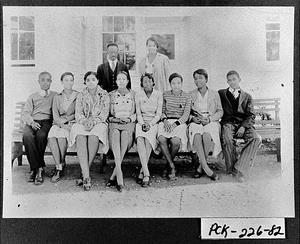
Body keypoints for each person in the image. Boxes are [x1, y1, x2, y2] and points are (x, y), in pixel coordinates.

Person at [69, 71, 110, 191]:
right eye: (88, 80)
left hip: (98, 122)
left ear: (97, 81)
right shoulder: (81, 94)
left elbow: (104, 113)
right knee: (80, 135)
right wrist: (84, 121)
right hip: (83, 122)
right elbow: (78, 112)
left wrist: (94, 121)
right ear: (85, 82)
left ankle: (84, 173)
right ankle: (86, 175)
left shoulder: (104, 94)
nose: (91, 82)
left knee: (94, 135)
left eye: (93, 79)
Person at [218, 70, 261, 182]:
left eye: (234, 79)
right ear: (227, 81)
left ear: (239, 80)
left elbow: (251, 115)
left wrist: (243, 126)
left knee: (255, 138)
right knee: (227, 139)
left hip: (244, 124)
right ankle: (232, 169)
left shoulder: (247, 96)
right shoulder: (221, 93)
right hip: (228, 123)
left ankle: (239, 168)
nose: (232, 82)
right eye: (229, 80)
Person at [22, 71, 57, 185]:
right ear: (39, 82)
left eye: (48, 80)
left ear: (51, 82)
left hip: (46, 122)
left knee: (41, 135)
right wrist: (31, 122)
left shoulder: (55, 96)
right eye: (43, 80)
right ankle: (38, 168)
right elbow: (26, 113)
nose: (45, 82)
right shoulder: (32, 97)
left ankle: (36, 169)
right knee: (27, 136)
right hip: (32, 121)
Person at [188, 69, 223, 181]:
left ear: (206, 79)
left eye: (200, 78)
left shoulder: (214, 93)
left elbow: (220, 111)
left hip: (210, 120)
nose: (198, 80)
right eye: (195, 78)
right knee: (197, 134)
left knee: (207, 135)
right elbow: (187, 113)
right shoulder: (191, 94)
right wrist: (193, 118)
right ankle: (207, 169)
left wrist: (210, 119)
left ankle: (200, 167)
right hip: (197, 121)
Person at [157, 73, 192, 180]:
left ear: (181, 84)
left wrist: (175, 124)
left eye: (178, 83)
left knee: (175, 141)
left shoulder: (187, 96)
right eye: (173, 83)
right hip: (166, 121)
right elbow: (162, 111)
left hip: (179, 123)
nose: (176, 85)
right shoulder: (165, 94)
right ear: (170, 84)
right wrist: (165, 121)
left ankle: (168, 165)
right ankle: (172, 165)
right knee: (161, 138)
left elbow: (186, 115)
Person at [106, 71, 136, 192]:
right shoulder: (111, 95)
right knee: (115, 133)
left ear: (128, 81)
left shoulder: (134, 94)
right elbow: (107, 114)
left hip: (128, 122)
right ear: (116, 81)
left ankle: (116, 174)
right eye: (119, 79)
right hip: (114, 122)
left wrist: (129, 119)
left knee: (124, 135)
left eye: (124, 79)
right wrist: (114, 119)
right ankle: (120, 176)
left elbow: (136, 113)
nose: (121, 81)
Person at [48, 72, 78, 183]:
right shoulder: (57, 97)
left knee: (61, 137)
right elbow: (55, 114)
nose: (69, 83)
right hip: (58, 123)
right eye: (66, 80)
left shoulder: (78, 96)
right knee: (52, 136)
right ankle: (58, 165)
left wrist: (66, 120)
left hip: (71, 123)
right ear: (62, 82)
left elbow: (78, 112)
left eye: (71, 80)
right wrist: (60, 123)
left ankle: (61, 165)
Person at [135, 73, 163, 187]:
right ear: (142, 83)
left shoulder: (158, 94)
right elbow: (138, 113)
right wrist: (142, 123)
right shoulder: (138, 95)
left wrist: (150, 124)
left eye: (149, 81)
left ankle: (143, 170)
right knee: (140, 138)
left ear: (153, 82)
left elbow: (159, 113)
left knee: (148, 141)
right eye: (145, 81)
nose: (147, 83)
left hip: (153, 122)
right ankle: (146, 172)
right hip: (141, 122)